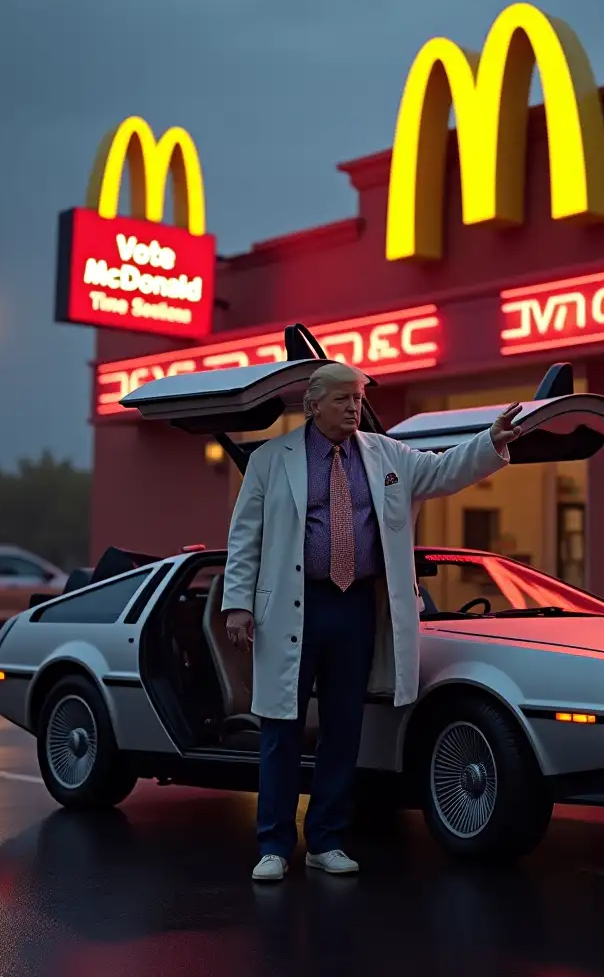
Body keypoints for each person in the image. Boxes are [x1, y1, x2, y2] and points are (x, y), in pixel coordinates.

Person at [221, 361, 523, 881]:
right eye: (342, 400)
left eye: (357, 400)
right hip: (295, 604)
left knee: (344, 727)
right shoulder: (272, 460)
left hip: (356, 606)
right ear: (313, 405)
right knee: (281, 727)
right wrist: (238, 603)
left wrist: (489, 441)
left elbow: (444, 470)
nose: (352, 409)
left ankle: (327, 840)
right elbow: (245, 536)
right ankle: (273, 844)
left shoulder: (386, 455)